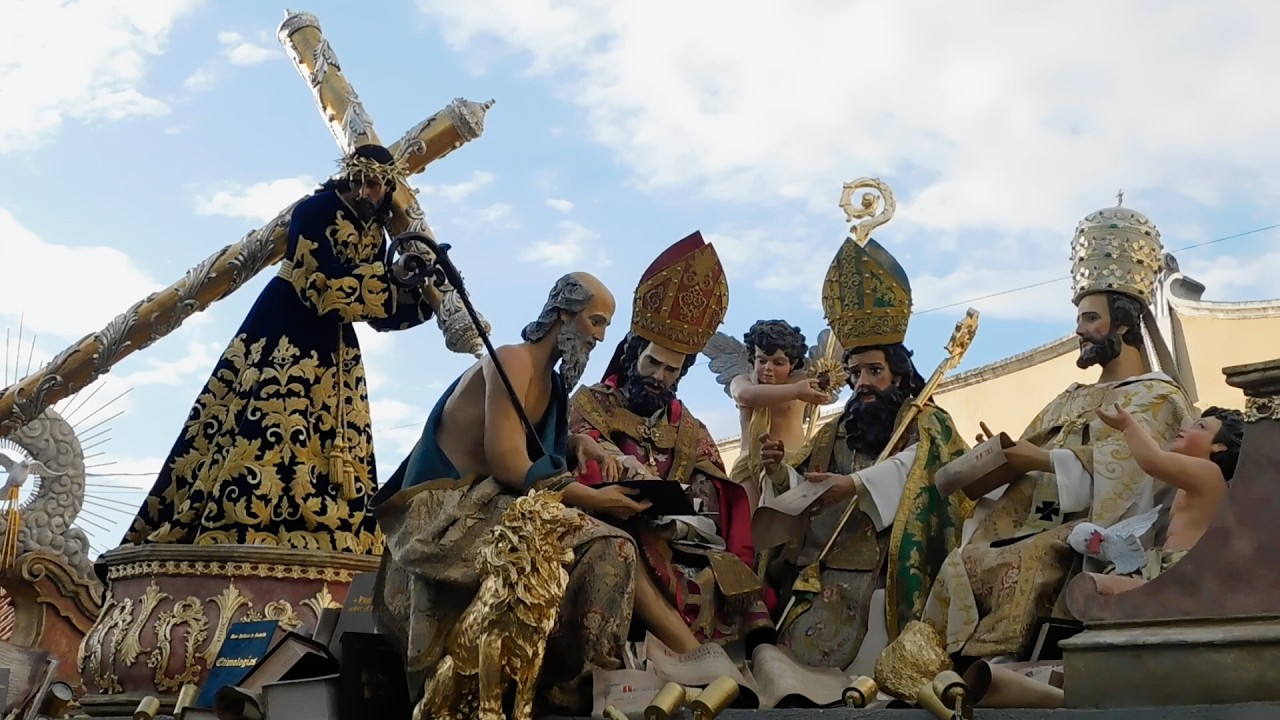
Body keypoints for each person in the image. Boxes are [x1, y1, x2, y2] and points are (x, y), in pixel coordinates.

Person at [121, 144, 435, 554]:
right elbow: (323, 285)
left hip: (334, 347)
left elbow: (373, 311)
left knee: (334, 440)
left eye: (375, 185)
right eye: (361, 181)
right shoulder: (315, 211)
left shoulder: (373, 231)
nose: (366, 192)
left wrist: (420, 296)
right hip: (284, 325)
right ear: (348, 176)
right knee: (258, 420)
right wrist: (392, 283)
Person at [916, 202, 1196, 660]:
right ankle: (939, 664)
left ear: (1123, 323)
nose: (1079, 330)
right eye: (1080, 318)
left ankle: (996, 664)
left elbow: (1132, 478)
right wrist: (1002, 457)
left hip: (1095, 531)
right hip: (1033, 522)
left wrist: (1040, 459)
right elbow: (1029, 455)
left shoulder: (1157, 396)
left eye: (1090, 318)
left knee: (1028, 560)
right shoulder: (1067, 397)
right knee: (961, 559)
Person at [371, 272, 645, 714]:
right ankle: (591, 686)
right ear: (563, 314)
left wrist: (580, 443)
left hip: (499, 502)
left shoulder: (552, 384)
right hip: (450, 512)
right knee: (611, 543)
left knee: (620, 541)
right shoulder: (512, 362)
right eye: (596, 321)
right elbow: (508, 460)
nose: (599, 337)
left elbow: (538, 444)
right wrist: (594, 499)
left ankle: (598, 677)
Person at [755, 232, 971, 673]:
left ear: (898, 373)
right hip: (825, 572)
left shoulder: (925, 423)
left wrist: (854, 485)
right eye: (855, 374)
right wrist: (779, 473)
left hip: (887, 578)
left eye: (875, 371)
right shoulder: (837, 429)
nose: (863, 384)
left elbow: (920, 472)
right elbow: (803, 484)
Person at [568, 232, 773, 654]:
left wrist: (690, 509)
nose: (659, 376)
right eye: (652, 363)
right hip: (616, 523)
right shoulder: (591, 404)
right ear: (632, 355)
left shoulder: (688, 427)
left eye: (671, 370)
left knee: (721, 572)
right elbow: (574, 460)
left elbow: (720, 494)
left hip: (684, 538)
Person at [1087, 404, 1243, 594]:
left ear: (1219, 446)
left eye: (1200, 427)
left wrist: (1128, 425)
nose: (1184, 429)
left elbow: (1152, 461)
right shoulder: (1183, 485)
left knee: (1095, 586)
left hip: (1187, 576)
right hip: (1163, 569)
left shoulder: (1210, 474)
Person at [703, 320, 831, 511]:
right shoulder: (744, 381)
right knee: (746, 524)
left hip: (793, 464)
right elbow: (746, 396)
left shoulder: (803, 380)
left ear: (793, 363)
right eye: (761, 360)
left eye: (778, 363)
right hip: (750, 465)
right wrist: (796, 392)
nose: (768, 368)